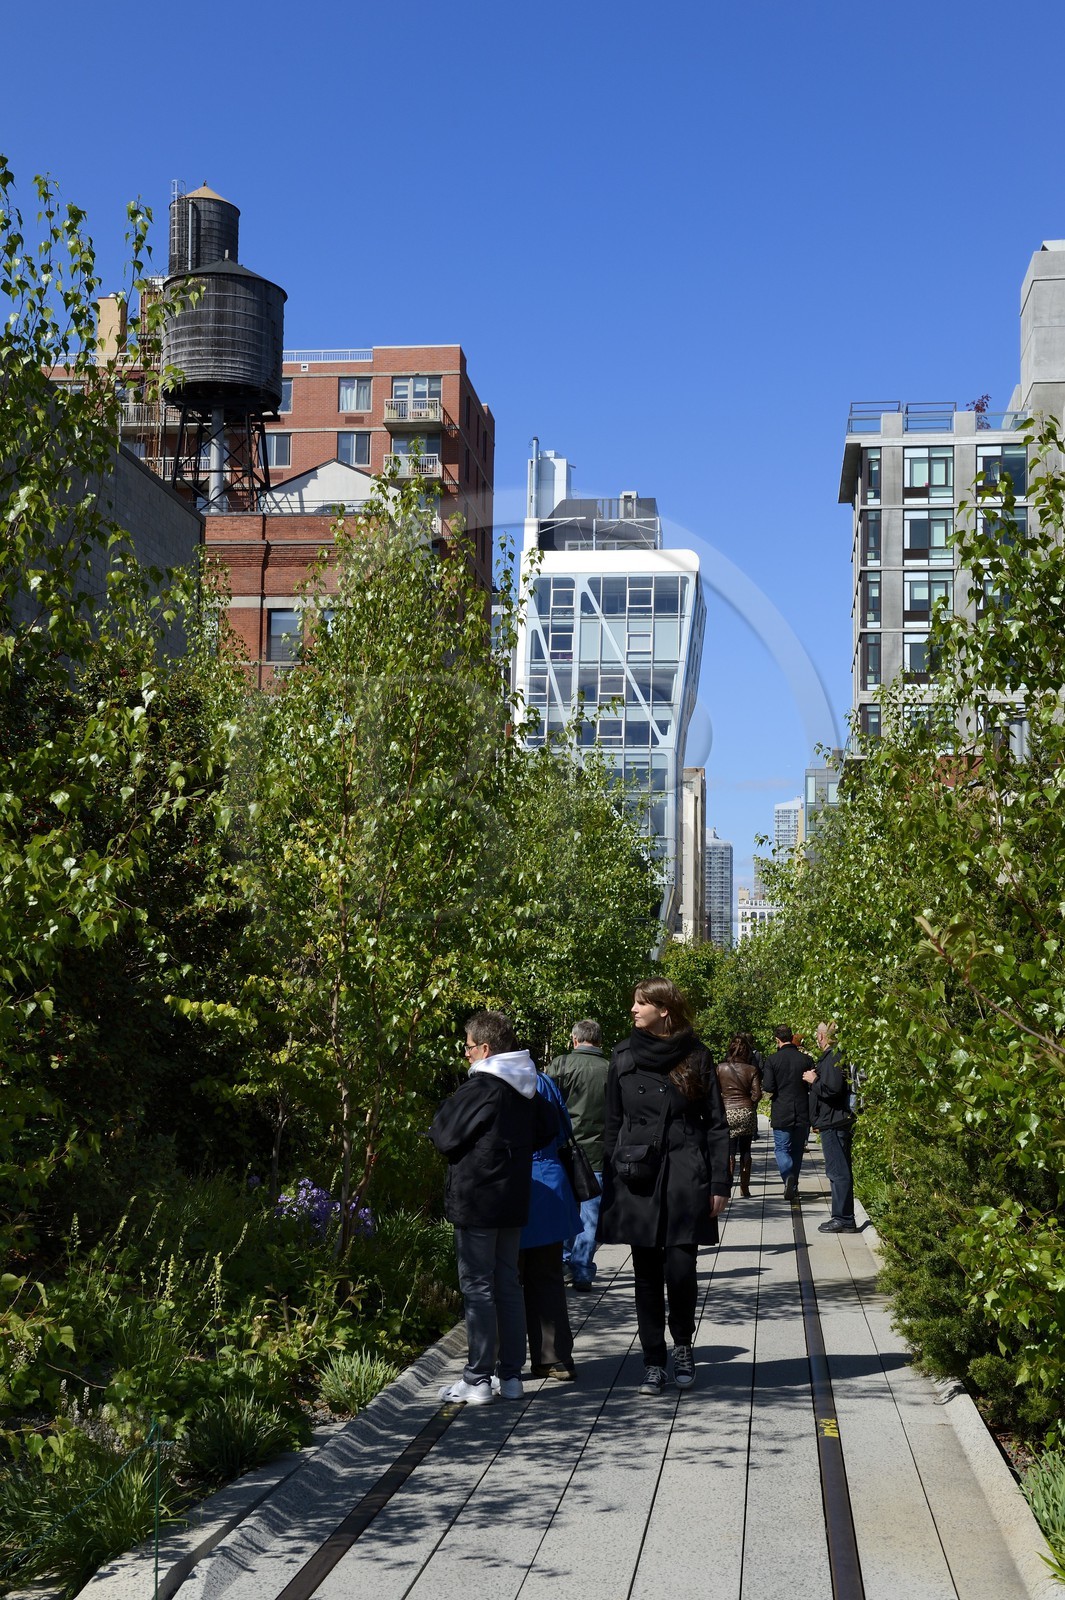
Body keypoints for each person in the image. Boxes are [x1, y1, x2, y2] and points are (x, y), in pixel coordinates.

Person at [599, 977, 730, 1396]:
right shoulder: (621, 1056)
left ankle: (683, 1346)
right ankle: (653, 1359)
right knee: (645, 1274)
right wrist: (611, 1177)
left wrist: (719, 1182)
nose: (633, 1010)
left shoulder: (696, 1056)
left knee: (681, 1270)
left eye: (641, 1003)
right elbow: (612, 1124)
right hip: (638, 1177)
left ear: (664, 1010)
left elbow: (716, 1125)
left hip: (685, 1174)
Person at [430, 1010, 557, 1404]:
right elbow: (547, 1128)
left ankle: (478, 1377)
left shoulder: (482, 1086)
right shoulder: (527, 1086)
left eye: (468, 1046)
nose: (465, 1054)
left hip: (477, 1200)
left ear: (485, 1049)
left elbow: (444, 1135)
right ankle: (511, 1376)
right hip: (512, 1198)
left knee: (478, 1287)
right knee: (507, 1285)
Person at [519, 1071, 581, 1379]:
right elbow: (564, 1127)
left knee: (505, 1280)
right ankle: (554, 1357)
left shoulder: (495, 1079)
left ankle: (505, 1362)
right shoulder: (541, 1078)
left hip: (517, 1183)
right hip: (550, 1182)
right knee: (547, 1276)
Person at [547, 1018, 609, 1290]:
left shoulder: (560, 1065)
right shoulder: (610, 1069)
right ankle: (583, 1270)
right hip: (597, 1152)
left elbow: (545, 1103)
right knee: (591, 1216)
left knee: (562, 1210)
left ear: (574, 1040)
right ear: (599, 1040)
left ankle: (563, 1263)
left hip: (563, 1151)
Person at [803, 1021, 857, 1233]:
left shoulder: (833, 1056)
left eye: (818, 1035)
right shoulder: (835, 1056)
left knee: (838, 1171)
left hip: (834, 1121)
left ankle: (843, 1218)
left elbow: (833, 1089)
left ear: (822, 1037)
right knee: (838, 1170)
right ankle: (842, 1216)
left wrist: (813, 1079)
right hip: (833, 1120)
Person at [761, 1023, 814, 1200]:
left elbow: (768, 1086)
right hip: (802, 1109)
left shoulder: (772, 1060)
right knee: (797, 1149)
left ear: (777, 1039)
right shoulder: (806, 1060)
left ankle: (788, 1176)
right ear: (792, 1038)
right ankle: (794, 1185)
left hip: (782, 1110)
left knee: (781, 1149)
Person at [716, 1035, 762, 1197]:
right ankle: (745, 1187)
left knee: (729, 1151)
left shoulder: (720, 1068)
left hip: (727, 1112)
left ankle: (727, 1185)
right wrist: (748, 1102)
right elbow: (757, 1095)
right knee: (746, 1149)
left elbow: (714, 1092)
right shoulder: (751, 1070)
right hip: (746, 1112)